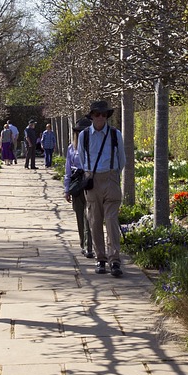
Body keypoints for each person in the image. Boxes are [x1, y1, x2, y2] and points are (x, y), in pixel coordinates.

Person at [80, 99, 125, 276]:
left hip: (111, 177)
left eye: (104, 114)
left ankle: (114, 260)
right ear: (91, 116)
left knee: (112, 220)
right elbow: (82, 159)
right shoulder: (84, 135)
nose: (100, 117)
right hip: (92, 179)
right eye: (97, 114)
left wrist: (114, 176)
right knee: (95, 221)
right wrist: (90, 174)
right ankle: (101, 259)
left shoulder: (115, 134)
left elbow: (122, 159)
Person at [64, 117, 95, 258]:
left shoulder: (94, 147)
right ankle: (83, 243)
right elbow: (68, 170)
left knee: (90, 216)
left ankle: (89, 246)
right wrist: (66, 189)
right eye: (79, 132)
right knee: (79, 215)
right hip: (77, 183)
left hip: (90, 182)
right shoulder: (72, 148)